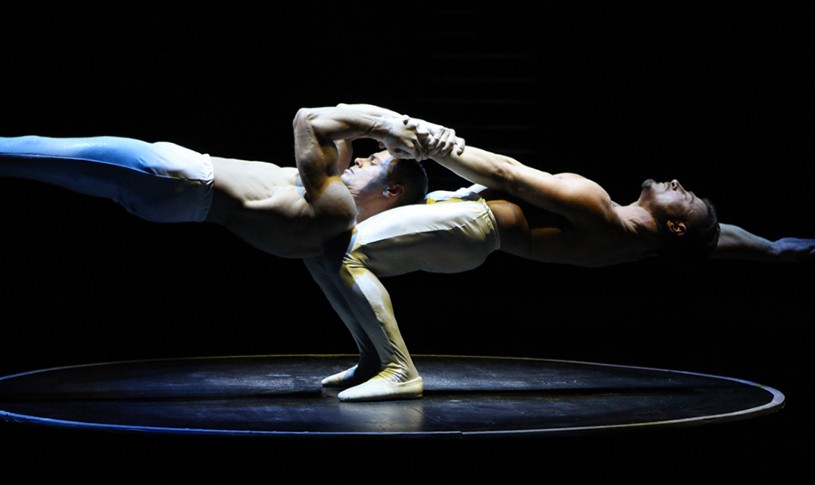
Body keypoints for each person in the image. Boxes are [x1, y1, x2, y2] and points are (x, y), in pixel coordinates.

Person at [305, 128, 814, 402]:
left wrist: (436, 143)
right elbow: (718, 240)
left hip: (475, 224)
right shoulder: (646, 242)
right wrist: (776, 249)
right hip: (463, 218)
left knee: (346, 252)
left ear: (675, 225)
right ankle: (375, 360)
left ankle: (398, 369)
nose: (681, 183)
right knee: (324, 246)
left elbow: (507, 171)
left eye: (689, 197)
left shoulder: (594, 205)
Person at [0, 103, 462, 259]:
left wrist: (389, 128)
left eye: (376, 162)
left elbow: (309, 119)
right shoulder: (336, 200)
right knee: (27, 153)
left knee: (28, 149)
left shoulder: (337, 211)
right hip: (173, 185)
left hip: (173, 180)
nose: (360, 160)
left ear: (393, 191)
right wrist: (401, 127)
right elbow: (342, 112)